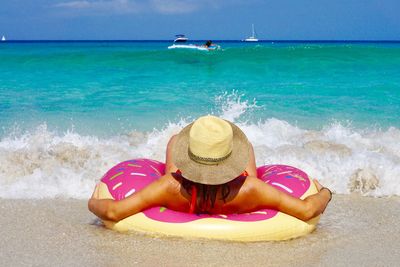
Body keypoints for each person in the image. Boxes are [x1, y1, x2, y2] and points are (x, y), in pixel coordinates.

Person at [89, 115, 332, 222]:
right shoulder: (252, 189)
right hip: (235, 195)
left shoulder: (169, 186)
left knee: (175, 138)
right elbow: (308, 210)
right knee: (244, 143)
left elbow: (112, 212)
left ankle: (203, 149)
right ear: (231, 163)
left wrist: (92, 201)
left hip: (186, 194)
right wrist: (325, 193)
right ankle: (215, 149)